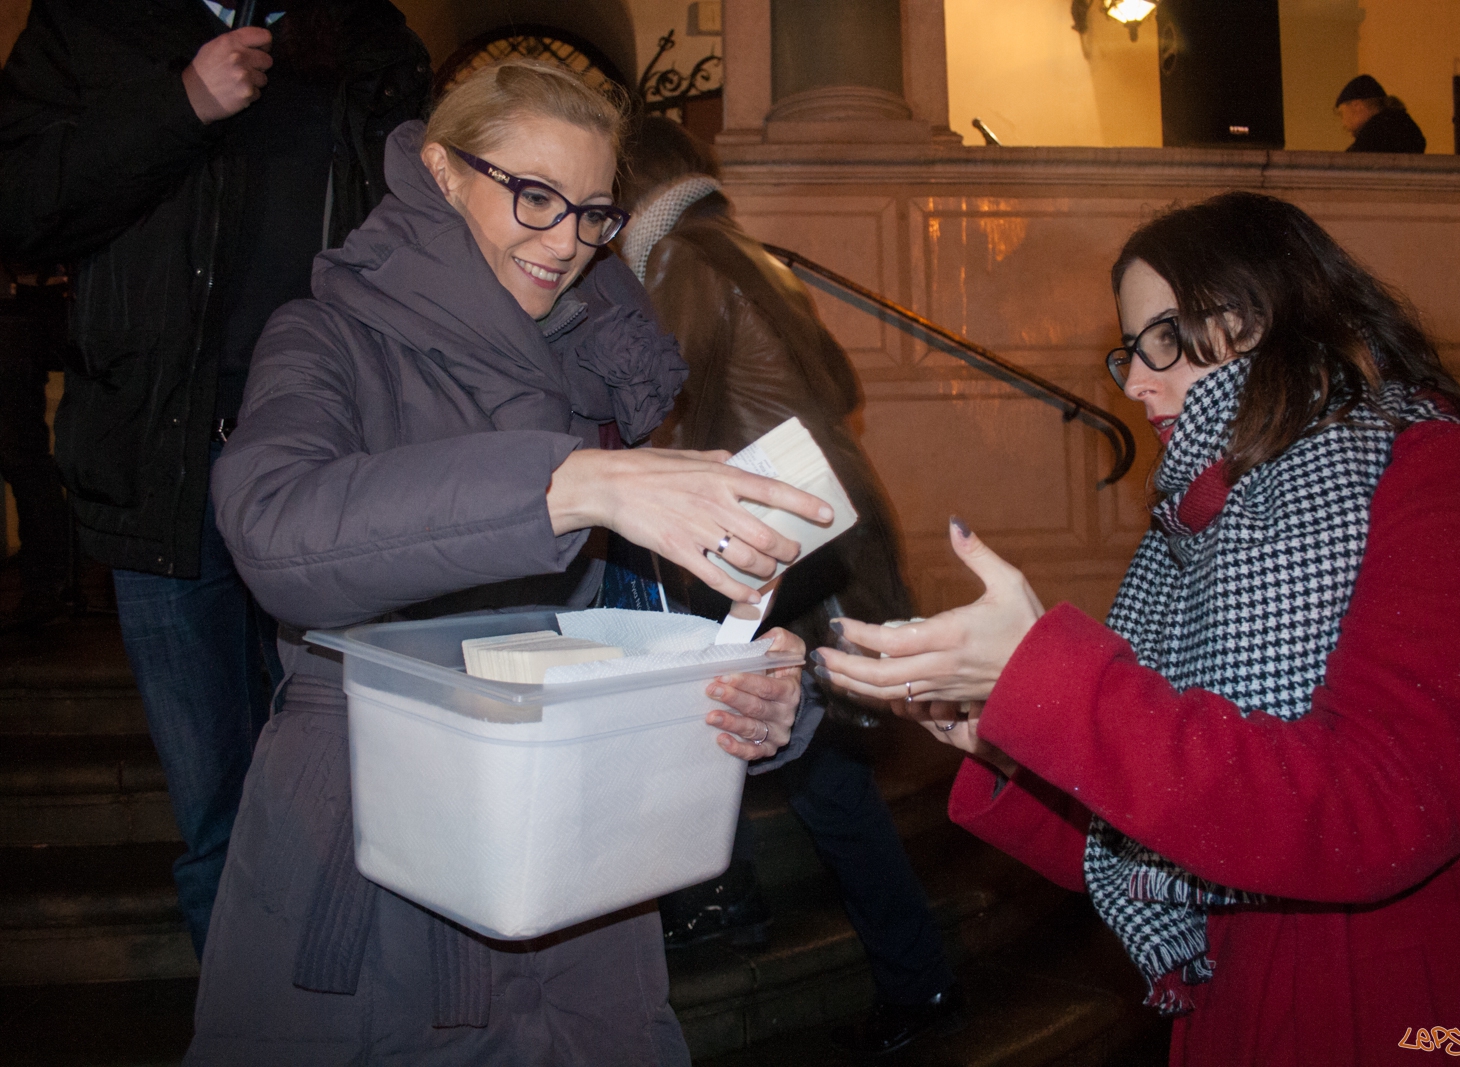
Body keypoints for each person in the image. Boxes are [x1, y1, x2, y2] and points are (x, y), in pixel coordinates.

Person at [814, 192, 1460, 1065]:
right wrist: (997, 738)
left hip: (1422, 1006)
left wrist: (1059, 683)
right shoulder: (1194, 534)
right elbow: (1160, 825)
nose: (1138, 383)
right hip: (1239, 1006)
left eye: (1164, 341)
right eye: (1129, 353)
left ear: (1266, 315)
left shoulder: (1458, 481)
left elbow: (1378, 809)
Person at [192, 58, 835, 1064]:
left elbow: (651, 623)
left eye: (590, 213)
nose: (564, 243)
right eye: (532, 195)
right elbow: (276, 528)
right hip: (374, 861)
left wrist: (756, 689)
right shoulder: (325, 335)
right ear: (442, 173)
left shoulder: (605, 363)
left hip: (582, 873)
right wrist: (567, 486)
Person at [0, 0, 432, 954]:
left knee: (352, 796)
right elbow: (18, 201)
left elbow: (428, 232)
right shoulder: (89, 24)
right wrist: (180, 104)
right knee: (217, 815)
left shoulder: (365, 33)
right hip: (164, 463)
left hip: (332, 468)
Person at [617, 115, 961, 1059]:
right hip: (828, 526)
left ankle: (908, 971)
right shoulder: (753, 254)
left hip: (786, 553)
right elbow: (840, 380)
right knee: (806, 759)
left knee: (817, 771)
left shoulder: (681, 257)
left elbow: (655, 407)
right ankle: (766, 911)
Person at [0, 262, 73, 630]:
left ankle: (47, 585)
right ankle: (48, 584)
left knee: (22, 457)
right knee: (23, 458)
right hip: (19, 310)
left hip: (17, 312)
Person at [1336, 74, 1426, 153]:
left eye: (1341, 113)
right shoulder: (1406, 126)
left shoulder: (1374, 134)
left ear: (1357, 105)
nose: (1343, 124)